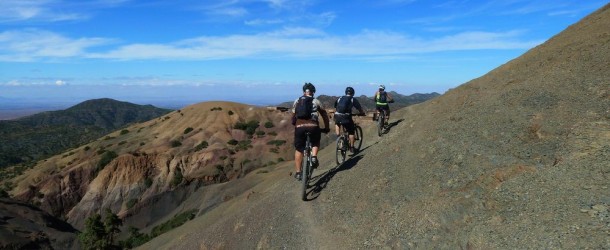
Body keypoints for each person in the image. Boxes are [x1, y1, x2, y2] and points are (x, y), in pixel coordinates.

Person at [292, 82, 330, 181]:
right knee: (315, 141)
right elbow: (324, 115)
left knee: (299, 149)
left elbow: (293, 117)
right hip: (313, 127)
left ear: (304, 92)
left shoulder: (297, 101)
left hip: (299, 127)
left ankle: (298, 172)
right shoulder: (316, 101)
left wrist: (296, 125)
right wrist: (326, 128)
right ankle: (313, 157)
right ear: (313, 92)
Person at [334, 86, 365, 153]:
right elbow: (359, 108)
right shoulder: (352, 99)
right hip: (346, 117)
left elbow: (335, 106)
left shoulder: (340, 98)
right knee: (351, 131)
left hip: (337, 115)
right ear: (353, 93)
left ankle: (338, 137)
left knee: (337, 123)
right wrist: (362, 113)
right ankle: (352, 147)